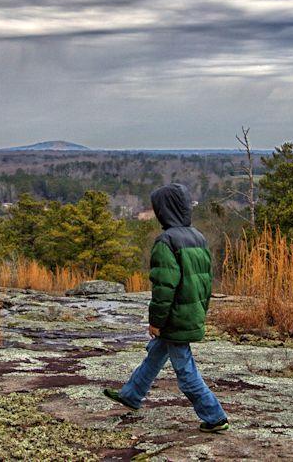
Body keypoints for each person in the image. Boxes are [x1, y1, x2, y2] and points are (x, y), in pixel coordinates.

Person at [103, 183, 229, 433]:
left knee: (185, 371)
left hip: (174, 318)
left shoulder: (167, 241)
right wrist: (200, 313)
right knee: (156, 354)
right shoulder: (198, 237)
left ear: (165, 210)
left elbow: (164, 288)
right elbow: (205, 283)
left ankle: (215, 417)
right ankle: (131, 395)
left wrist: (156, 322)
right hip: (190, 314)